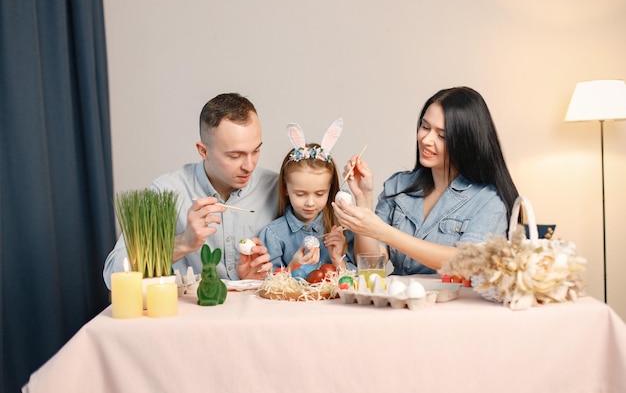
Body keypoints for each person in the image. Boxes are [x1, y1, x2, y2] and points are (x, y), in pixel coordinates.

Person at [333, 86, 519, 276]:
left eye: (442, 135)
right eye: (425, 127)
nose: (426, 139)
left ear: (466, 142)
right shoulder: (399, 186)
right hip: (397, 302)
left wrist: (384, 232)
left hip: (453, 304)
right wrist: (364, 199)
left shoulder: (488, 200)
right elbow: (372, 269)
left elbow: (465, 261)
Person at [103, 93, 279, 289]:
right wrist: (183, 243)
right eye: (235, 155)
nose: (249, 165)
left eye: (255, 151)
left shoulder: (278, 188)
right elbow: (113, 274)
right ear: (203, 151)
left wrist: (256, 280)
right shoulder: (166, 191)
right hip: (192, 316)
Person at [259, 119, 355, 271]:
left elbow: (357, 279)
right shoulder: (273, 235)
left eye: (319, 194)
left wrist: (337, 259)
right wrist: (292, 267)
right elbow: (265, 284)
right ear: (286, 189)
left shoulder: (341, 230)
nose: (310, 202)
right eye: (300, 194)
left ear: (330, 190)